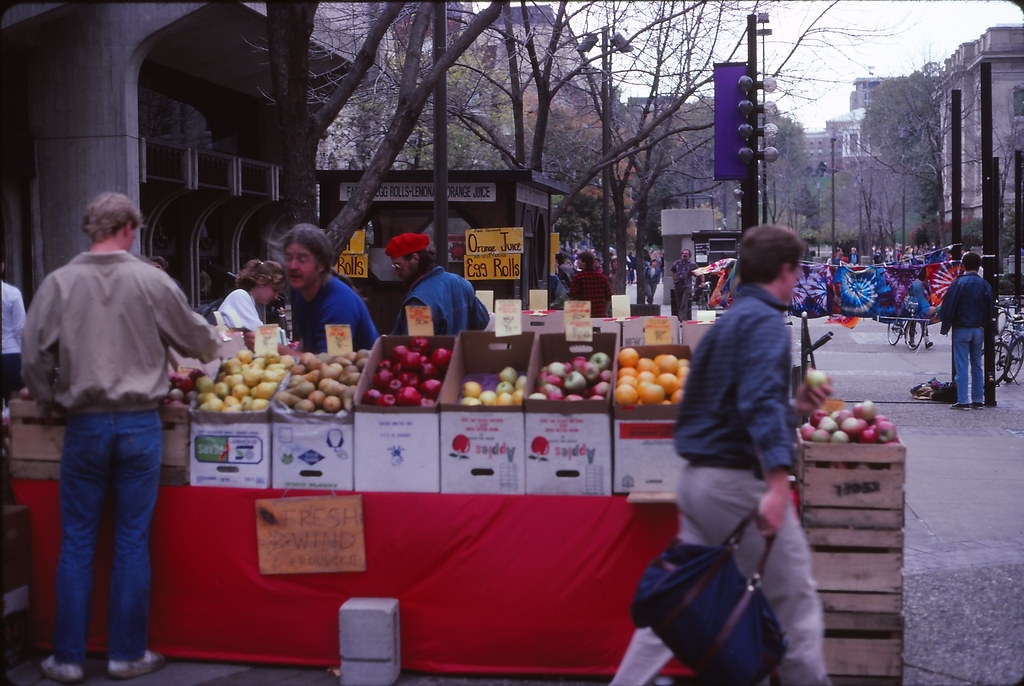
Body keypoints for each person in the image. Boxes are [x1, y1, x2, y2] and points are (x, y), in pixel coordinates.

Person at [611, 224, 833, 686]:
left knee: (686, 591)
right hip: (737, 485)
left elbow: (734, 408)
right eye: (797, 272)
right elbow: (756, 404)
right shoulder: (766, 324)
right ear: (785, 271)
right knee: (795, 605)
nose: (798, 282)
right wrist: (776, 483)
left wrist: (793, 411)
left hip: (698, 481)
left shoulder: (728, 322)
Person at [21, 192, 220, 684]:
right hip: (139, 424)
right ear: (130, 228)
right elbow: (197, 340)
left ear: (90, 229)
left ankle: (66, 659)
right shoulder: (150, 280)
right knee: (131, 540)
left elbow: (31, 356)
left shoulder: (59, 282)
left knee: (77, 541)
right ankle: (126, 654)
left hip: (83, 423)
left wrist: (47, 399)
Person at [283, 223, 379, 353]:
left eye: (302, 259)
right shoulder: (300, 291)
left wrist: (277, 351)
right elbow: (308, 343)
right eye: (289, 258)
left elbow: (331, 365)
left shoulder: (339, 304)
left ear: (322, 264)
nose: (292, 266)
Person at [387, 232, 489, 335]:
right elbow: (483, 322)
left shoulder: (418, 302)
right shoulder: (461, 283)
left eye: (398, 266)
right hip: (463, 350)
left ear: (415, 258)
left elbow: (416, 344)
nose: (396, 272)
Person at [940, 251, 992, 409]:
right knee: (977, 365)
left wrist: (945, 325)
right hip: (978, 328)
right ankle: (978, 399)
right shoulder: (985, 284)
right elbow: (990, 308)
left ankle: (963, 400)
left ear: (963, 265)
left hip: (961, 327)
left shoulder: (958, 283)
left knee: (961, 365)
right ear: (979, 266)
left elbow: (949, 305)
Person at [217, 259, 285, 331]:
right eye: (274, 290)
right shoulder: (240, 296)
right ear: (261, 281)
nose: (275, 297)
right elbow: (257, 333)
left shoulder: (248, 300)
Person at [2, 250, 26, 403]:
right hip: (11, 355)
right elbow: (21, 329)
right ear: (2, 266)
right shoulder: (12, 293)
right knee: (15, 407)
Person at [568, 250, 612, 317]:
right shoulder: (602, 278)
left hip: (583, 315)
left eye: (579, 261)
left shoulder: (579, 278)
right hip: (599, 315)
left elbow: (573, 297)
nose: (577, 263)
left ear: (584, 263)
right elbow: (609, 297)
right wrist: (605, 311)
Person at [909, 267, 935, 349]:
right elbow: (928, 294)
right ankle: (926, 341)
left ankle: (912, 340)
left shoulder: (914, 282)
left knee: (913, 321)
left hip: (915, 303)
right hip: (919, 304)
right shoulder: (923, 283)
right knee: (922, 322)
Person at [670, 248, 697, 320]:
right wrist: (674, 279)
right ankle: (680, 318)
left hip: (687, 286)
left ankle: (683, 319)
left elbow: (698, 273)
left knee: (684, 303)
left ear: (689, 255)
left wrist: (702, 282)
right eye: (683, 253)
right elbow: (673, 271)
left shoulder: (692, 264)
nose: (684, 255)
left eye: (686, 253)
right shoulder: (677, 263)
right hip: (678, 285)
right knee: (678, 303)